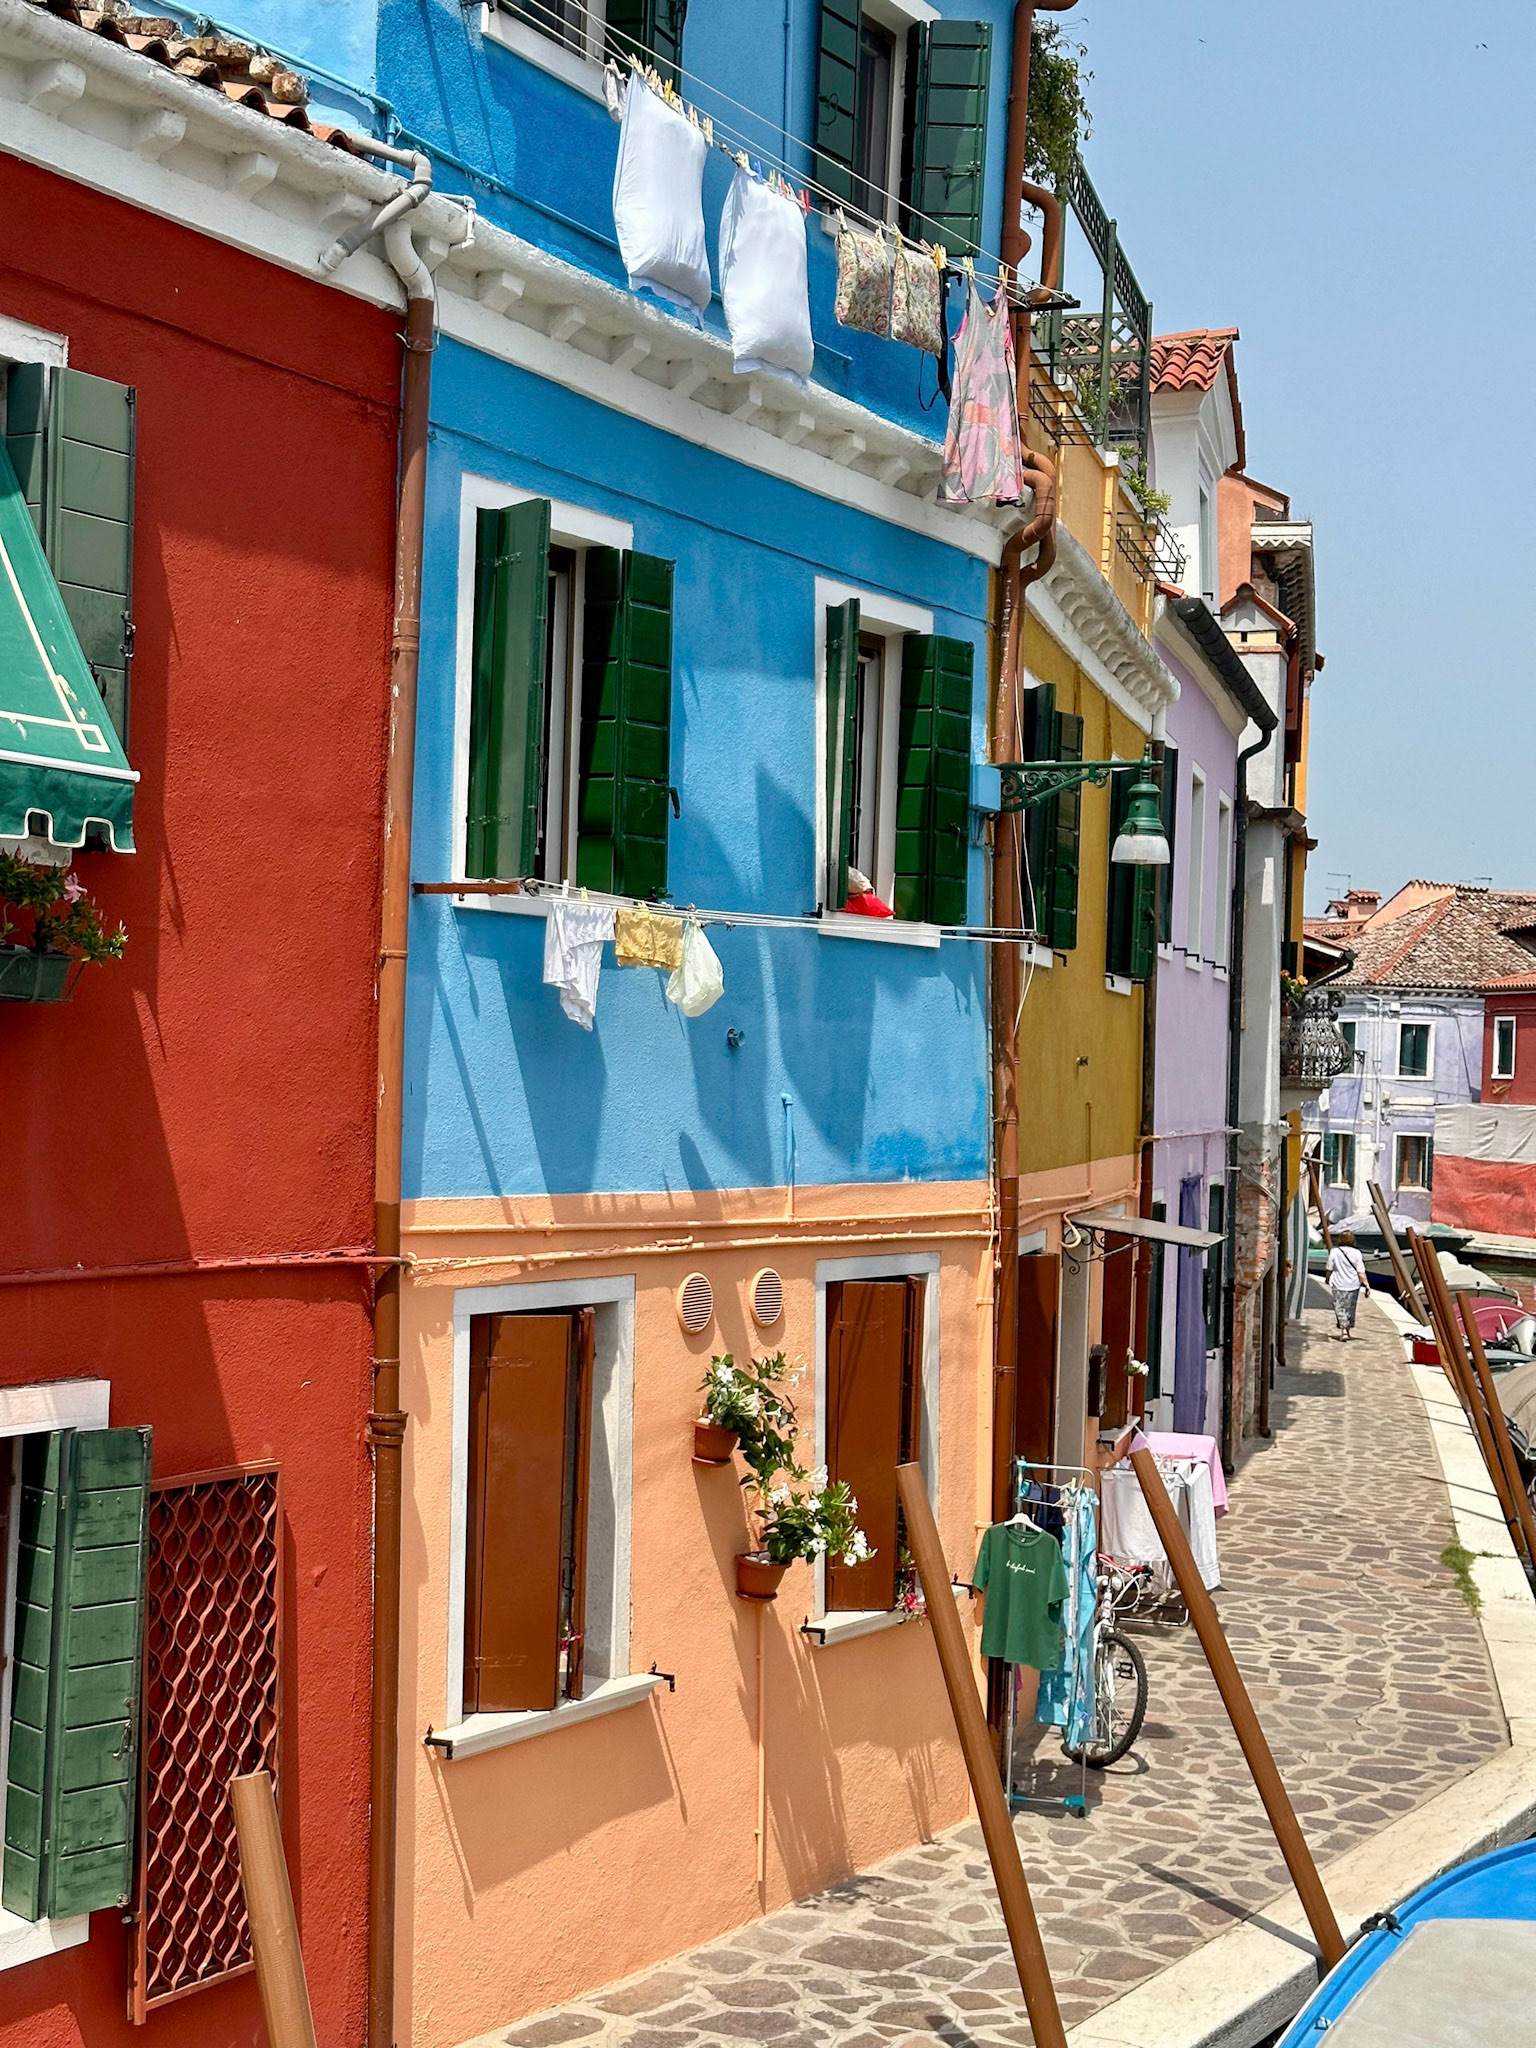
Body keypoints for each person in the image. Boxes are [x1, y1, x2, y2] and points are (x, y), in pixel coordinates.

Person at [1325, 1231, 1369, 1340]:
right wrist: (1367, 1285)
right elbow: (1361, 1272)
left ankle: (1343, 1331)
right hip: (1353, 1284)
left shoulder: (1334, 1251)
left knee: (1340, 1307)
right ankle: (1347, 1330)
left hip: (1338, 1283)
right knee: (1350, 1308)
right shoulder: (1357, 1253)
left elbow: (1329, 1268)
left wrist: (1328, 1278)